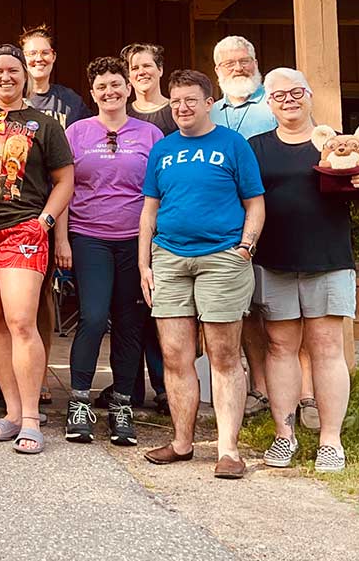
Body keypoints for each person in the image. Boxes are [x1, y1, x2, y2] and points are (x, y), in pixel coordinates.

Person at [251, 68, 359, 473]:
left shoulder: (341, 144)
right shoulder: (254, 148)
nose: (288, 100)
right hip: (273, 261)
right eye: (278, 95)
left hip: (328, 260)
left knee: (327, 349)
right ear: (267, 103)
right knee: (280, 348)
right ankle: (283, 436)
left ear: (309, 95)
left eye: (296, 92)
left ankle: (330, 441)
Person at [139, 69, 265, 478]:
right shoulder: (163, 149)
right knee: (175, 356)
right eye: (175, 101)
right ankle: (181, 442)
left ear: (209, 102)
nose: (182, 108)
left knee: (224, 355)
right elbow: (149, 211)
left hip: (222, 258)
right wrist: (145, 263)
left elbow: (255, 202)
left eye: (191, 99)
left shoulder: (233, 144)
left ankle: (228, 450)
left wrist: (245, 246)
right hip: (170, 259)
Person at [0, 44, 74, 455]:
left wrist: (45, 222)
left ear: (25, 76)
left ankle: (30, 419)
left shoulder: (45, 124)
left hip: (21, 231)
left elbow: (65, 180)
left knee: (21, 321)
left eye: (13, 70)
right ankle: (10, 411)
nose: (5, 77)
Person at [59, 57, 163, 447]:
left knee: (130, 321)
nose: (110, 92)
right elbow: (65, 189)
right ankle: (80, 401)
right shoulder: (77, 133)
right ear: (92, 92)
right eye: (102, 86)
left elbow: (158, 192)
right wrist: (63, 239)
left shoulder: (150, 134)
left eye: (116, 84)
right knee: (93, 316)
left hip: (135, 241)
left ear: (128, 88)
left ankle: (122, 403)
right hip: (89, 237)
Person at [18, 23, 88, 407]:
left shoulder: (70, 103)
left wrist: (60, 232)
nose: (38, 59)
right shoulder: (9, 97)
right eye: (31, 53)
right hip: (13, 211)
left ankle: (39, 375)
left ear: (53, 57)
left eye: (44, 52)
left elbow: (71, 168)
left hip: (52, 212)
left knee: (42, 297)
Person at [211, 34, 277, 416]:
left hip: (273, 218)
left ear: (256, 62)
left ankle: (302, 393)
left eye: (244, 61)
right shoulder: (211, 111)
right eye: (229, 63)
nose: (238, 68)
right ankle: (259, 388)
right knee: (245, 309)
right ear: (217, 71)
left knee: (281, 311)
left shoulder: (275, 102)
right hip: (224, 225)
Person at [122, 42, 177, 136]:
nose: (141, 72)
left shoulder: (177, 110)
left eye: (147, 66)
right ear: (129, 76)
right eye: (135, 68)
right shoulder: (123, 114)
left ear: (160, 70)